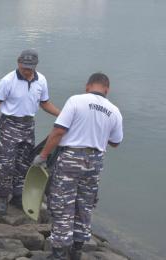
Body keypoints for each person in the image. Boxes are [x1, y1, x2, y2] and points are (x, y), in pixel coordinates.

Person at [32, 73, 123, 260]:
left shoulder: (76, 101)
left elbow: (58, 131)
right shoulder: (114, 111)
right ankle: (77, 250)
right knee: (85, 204)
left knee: (62, 204)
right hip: (95, 161)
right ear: (107, 89)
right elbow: (115, 142)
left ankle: (58, 252)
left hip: (71, 158)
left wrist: (43, 156)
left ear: (87, 86)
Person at [0, 49, 60, 215]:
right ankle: (2, 196)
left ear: (36, 66)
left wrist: (62, 115)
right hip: (10, 123)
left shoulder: (41, 80)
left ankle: (17, 194)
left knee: (23, 163)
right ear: (18, 62)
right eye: (24, 67)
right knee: (7, 163)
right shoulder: (7, 81)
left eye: (30, 68)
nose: (27, 70)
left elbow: (45, 103)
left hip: (28, 125)